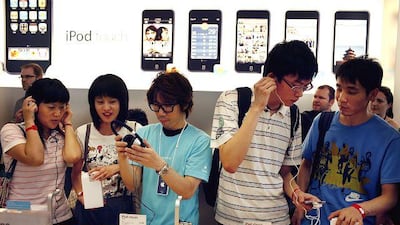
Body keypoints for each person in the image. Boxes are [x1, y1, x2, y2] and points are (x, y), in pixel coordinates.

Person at [210, 40, 319, 225]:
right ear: (271, 78)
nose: (300, 94)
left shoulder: (293, 115)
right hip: (232, 218)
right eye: (295, 85)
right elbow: (229, 162)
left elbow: (285, 173)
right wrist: (257, 107)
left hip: (276, 218)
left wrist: (297, 193)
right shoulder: (232, 100)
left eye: (305, 86)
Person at [293, 58, 400, 225]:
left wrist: (360, 209)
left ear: (372, 94)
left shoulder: (389, 138)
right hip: (314, 219)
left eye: (352, 91)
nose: (341, 98)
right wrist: (300, 203)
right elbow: (306, 164)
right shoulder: (322, 122)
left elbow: (390, 196)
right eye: (339, 88)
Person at [117, 71, 212, 225]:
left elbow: (187, 190)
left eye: (167, 106)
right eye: (156, 106)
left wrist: (159, 165)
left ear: (184, 104)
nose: (160, 112)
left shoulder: (200, 141)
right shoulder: (145, 133)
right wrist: (122, 157)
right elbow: (132, 185)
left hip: (181, 221)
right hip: (147, 221)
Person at [0, 78, 81, 225]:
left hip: (60, 215)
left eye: (62, 107)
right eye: (51, 107)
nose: (57, 113)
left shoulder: (61, 134)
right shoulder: (12, 131)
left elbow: (73, 156)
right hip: (23, 213)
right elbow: (35, 158)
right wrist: (29, 121)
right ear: (34, 106)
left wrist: (68, 123)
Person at [71, 74, 139, 225]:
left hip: (124, 206)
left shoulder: (134, 130)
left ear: (122, 103)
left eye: (112, 102)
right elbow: (75, 172)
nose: (106, 108)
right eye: (100, 102)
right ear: (93, 104)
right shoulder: (83, 132)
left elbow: (141, 171)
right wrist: (81, 194)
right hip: (91, 207)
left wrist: (116, 167)